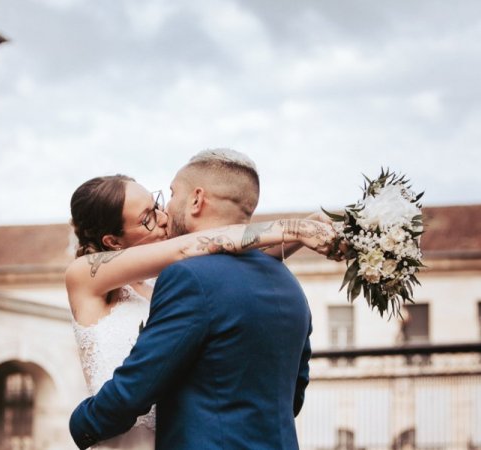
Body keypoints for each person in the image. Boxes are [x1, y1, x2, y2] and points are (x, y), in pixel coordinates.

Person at [68, 152, 336, 449]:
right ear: (112, 242)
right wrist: (292, 229)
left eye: (158, 204)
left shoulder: (176, 280)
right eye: (147, 218)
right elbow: (191, 249)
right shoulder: (84, 275)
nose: (164, 217)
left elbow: (223, 265)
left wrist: (294, 240)